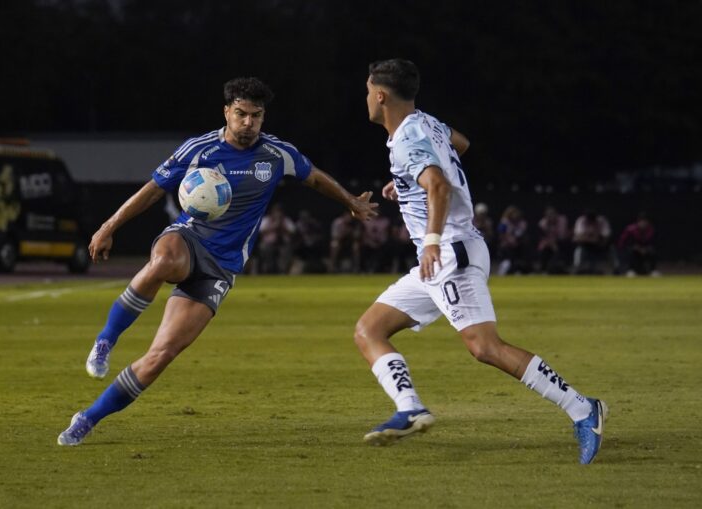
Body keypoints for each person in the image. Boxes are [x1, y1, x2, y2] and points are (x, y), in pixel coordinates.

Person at [57, 77, 378, 446]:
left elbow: (315, 178)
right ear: (226, 111)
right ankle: (106, 340)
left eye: (256, 116)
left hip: (221, 268)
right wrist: (108, 226)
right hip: (189, 238)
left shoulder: (277, 154)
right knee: (162, 261)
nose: (248, 123)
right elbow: (152, 190)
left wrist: (350, 201)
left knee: (160, 356)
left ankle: (88, 418)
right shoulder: (199, 149)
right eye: (240, 114)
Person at [355, 59, 606, 464]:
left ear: (381, 95)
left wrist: (433, 237)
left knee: (485, 347)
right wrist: (406, 182)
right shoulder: (425, 122)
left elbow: (436, 183)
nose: (366, 98)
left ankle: (583, 408)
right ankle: (410, 408)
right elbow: (461, 144)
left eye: (368, 91)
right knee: (369, 330)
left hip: (449, 253)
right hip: (441, 257)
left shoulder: (406, 138)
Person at [257, 203, 296, 274]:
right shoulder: (266, 219)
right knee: (264, 248)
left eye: (279, 211)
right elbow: (260, 231)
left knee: (286, 250)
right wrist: (274, 227)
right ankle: (268, 269)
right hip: (268, 243)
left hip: (283, 244)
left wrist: (282, 226)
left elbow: (293, 232)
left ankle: (282, 270)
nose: (277, 213)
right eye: (276, 211)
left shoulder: (286, 220)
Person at [617, 212, 658, 276]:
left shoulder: (651, 230)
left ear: (648, 222)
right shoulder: (630, 230)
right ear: (638, 222)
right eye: (641, 221)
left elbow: (654, 243)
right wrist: (635, 248)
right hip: (632, 250)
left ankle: (653, 270)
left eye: (645, 221)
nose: (643, 223)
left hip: (645, 250)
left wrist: (646, 249)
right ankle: (630, 270)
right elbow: (622, 243)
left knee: (653, 252)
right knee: (630, 252)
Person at [572, 210, 612, 274]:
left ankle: (609, 269)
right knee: (579, 250)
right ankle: (578, 268)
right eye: (589, 219)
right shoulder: (581, 220)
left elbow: (605, 239)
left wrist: (590, 238)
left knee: (610, 249)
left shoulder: (601, 221)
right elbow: (577, 238)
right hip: (584, 246)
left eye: (592, 219)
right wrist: (592, 239)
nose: (590, 222)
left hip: (599, 246)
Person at [496, 205, 531, 275]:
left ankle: (520, 269)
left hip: (518, 244)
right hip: (507, 244)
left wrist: (516, 241)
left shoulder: (522, 223)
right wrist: (508, 241)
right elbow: (501, 235)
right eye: (512, 214)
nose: (515, 215)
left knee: (523, 248)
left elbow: (522, 234)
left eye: (516, 214)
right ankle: (506, 267)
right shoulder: (504, 222)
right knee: (506, 250)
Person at [536, 205, 570, 274]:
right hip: (549, 243)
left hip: (562, 241)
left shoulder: (562, 220)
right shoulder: (543, 223)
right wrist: (551, 244)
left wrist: (554, 244)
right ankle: (543, 268)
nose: (550, 216)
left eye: (552, 214)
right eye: (548, 215)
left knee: (559, 248)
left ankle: (559, 268)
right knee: (543, 248)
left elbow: (562, 235)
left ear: (556, 214)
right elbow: (543, 236)